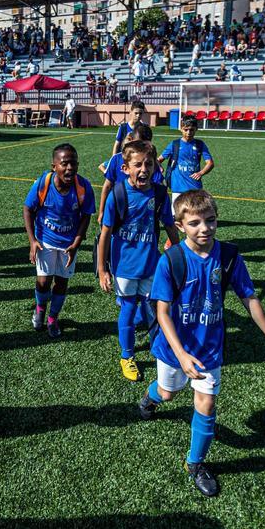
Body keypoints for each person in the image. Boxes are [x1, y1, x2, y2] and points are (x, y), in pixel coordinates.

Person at [139, 189, 265, 497]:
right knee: (168, 393)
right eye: (194, 223)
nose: (204, 228)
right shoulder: (172, 260)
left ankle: (196, 463)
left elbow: (249, 298)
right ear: (180, 226)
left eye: (210, 220)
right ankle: (150, 398)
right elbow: (162, 312)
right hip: (174, 349)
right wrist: (180, 355)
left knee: (206, 404)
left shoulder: (229, 256)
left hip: (209, 350)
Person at [96, 141, 179, 382]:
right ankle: (127, 356)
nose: (144, 169)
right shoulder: (118, 195)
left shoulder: (160, 194)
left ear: (155, 167)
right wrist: (102, 269)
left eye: (149, 164)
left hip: (152, 265)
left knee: (154, 310)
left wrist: (179, 251)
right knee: (129, 310)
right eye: (137, 165)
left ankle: (159, 351)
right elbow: (105, 235)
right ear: (125, 168)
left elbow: (169, 225)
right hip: (124, 267)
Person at [23, 144, 96, 338]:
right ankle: (40, 308)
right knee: (43, 281)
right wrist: (32, 241)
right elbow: (28, 209)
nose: (69, 168)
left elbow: (86, 216)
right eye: (64, 163)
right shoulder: (42, 183)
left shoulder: (83, 187)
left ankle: (53, 318)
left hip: (68, 245)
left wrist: (77, 243)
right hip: (45, 241)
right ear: (54, 166)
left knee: (62, 283)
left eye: (73, 163)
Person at [98, 122, 163, 223]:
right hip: (119, 209)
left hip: (143, 213)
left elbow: (158, 189)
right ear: (131, 139)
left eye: (145, 144)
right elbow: (107, 186)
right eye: (138, 143)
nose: (141, 148)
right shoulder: (116, 159)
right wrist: (101, 211)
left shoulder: (152, 164)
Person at [159, 116, 214, 209]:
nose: (189, 132)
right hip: (177, 186)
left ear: (196, 129)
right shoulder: (174, 144)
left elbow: (210, 163)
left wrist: (201, 173)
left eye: (192, 130)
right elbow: (158, 160)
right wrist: (159, 167)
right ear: (181, 129)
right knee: (176, 216)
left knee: (195, 212)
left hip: (194, 186)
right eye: (186, 129)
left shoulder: (200, 144)